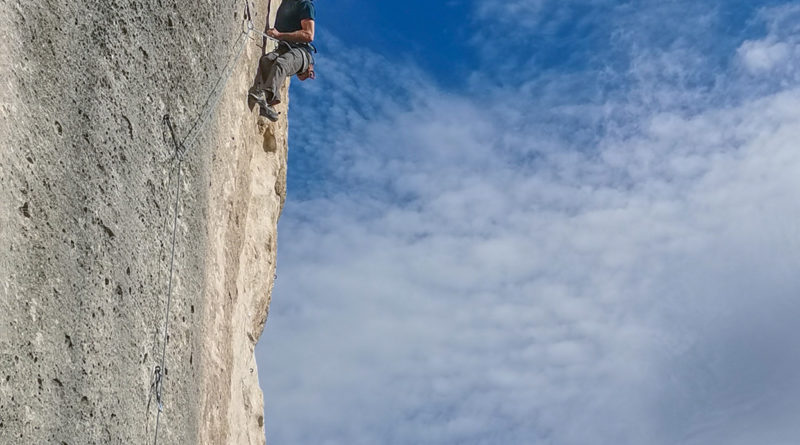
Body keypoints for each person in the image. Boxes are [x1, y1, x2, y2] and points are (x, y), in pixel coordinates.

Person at [249, 0, 316, 122]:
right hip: (285, 47)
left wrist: (280, 35)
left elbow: (308, 35)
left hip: (302, 52)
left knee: (282, 62)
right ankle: (271, 103)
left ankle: (265, 94)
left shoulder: (305, 5)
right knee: (266, 61)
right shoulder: (286, 2)